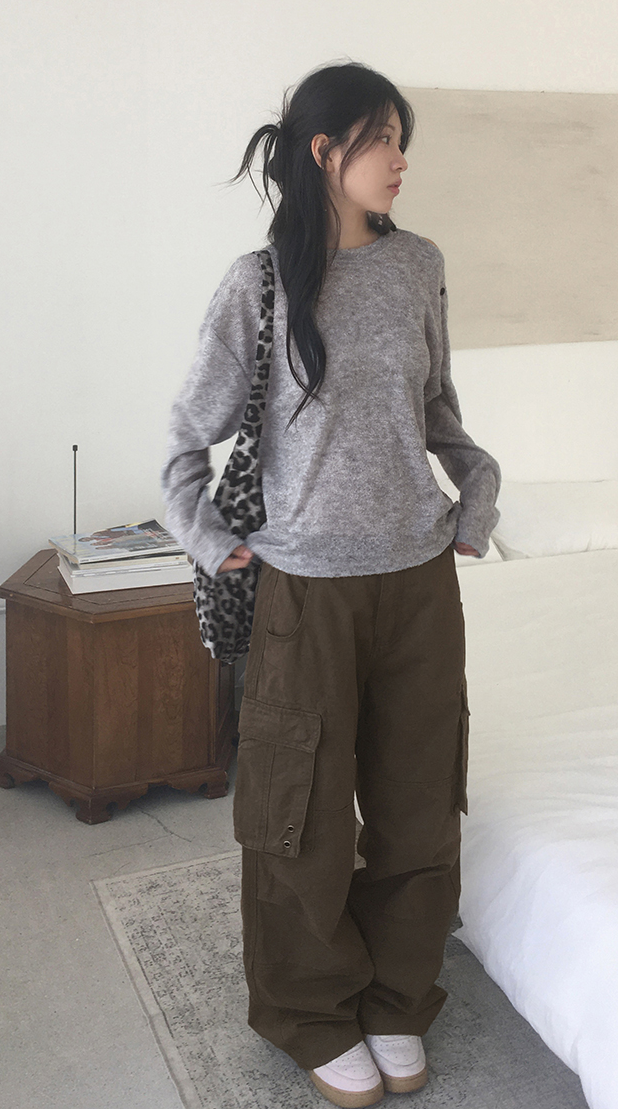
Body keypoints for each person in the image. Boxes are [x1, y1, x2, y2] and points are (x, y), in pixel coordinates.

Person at [160, 61, 500, 1107]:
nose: (401, 160)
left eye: (402, 139)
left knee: (418, 802)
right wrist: (208, 539)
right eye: (382, 138)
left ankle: (397, 995)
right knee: (297, 811)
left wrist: (477, 496)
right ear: (323, 151)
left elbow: (436, 410)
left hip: (417, 582)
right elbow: (186, 439)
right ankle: (310, 1010)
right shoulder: (257, 284)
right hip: (304, 591)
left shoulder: (419, 265)